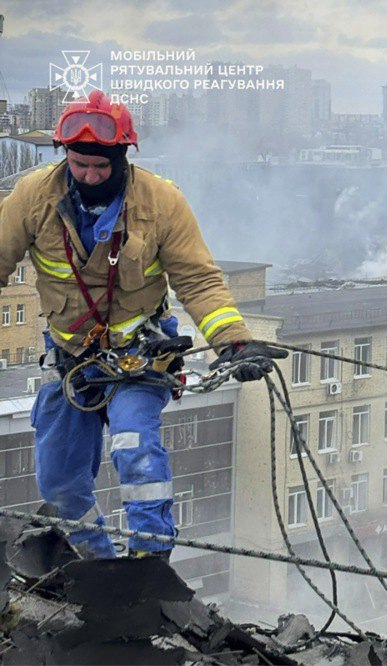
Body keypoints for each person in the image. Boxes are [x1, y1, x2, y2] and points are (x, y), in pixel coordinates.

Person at [0, 90, 284, 560]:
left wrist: (233, 342)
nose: (91, 176)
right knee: (59, 480)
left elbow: (197, 279)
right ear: (65, 155)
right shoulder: (33, 198)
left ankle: (149, 561)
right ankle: (97, 559)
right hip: (71, 362)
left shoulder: (161, 202)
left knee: (134, 446)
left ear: (124, 156)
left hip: (141, 357)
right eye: (80, 164)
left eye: (102, 167)